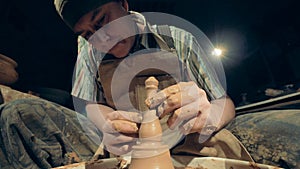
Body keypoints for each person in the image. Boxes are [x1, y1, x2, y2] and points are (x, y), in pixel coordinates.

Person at [0, 0, 298, 169]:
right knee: (17, 114)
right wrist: (107, 123)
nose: (101, 38)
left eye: (102, 20)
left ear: (123, 4)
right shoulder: (89, 51)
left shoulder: (176, 36)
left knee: (291, 129)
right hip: (124, 147)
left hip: (192, 137)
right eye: (89, 33)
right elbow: (87, 106)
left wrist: (208, 119)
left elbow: (224, 101)